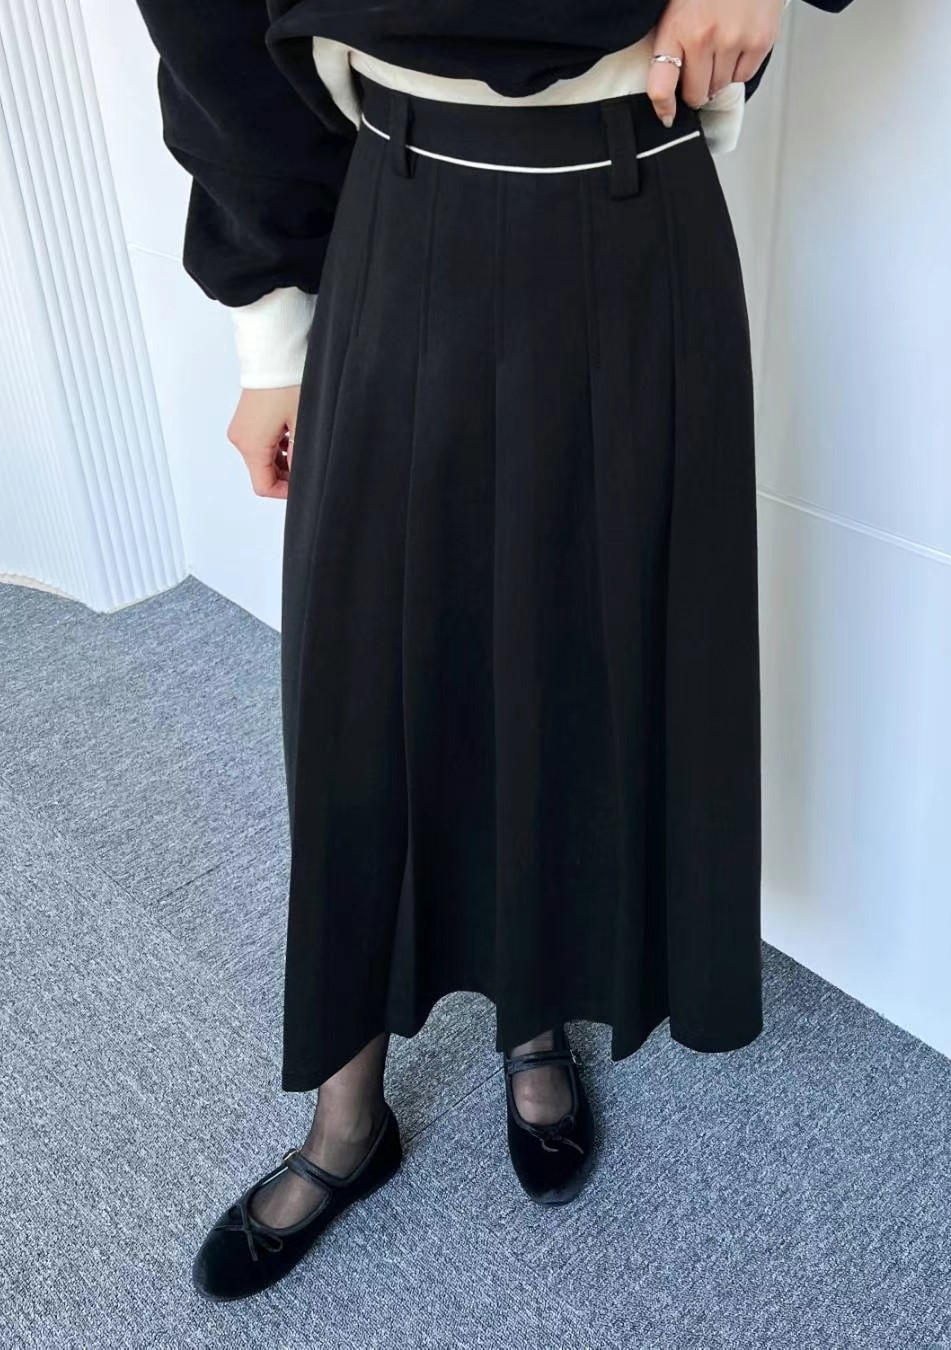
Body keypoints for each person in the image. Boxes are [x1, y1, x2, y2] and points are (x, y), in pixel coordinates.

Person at [135, 0, 854, 1303]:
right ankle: (347, 1116)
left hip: (637, 185)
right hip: (397, 194)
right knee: (358, 694)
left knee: (571, 661)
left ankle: (536, 1010)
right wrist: (269, 322)